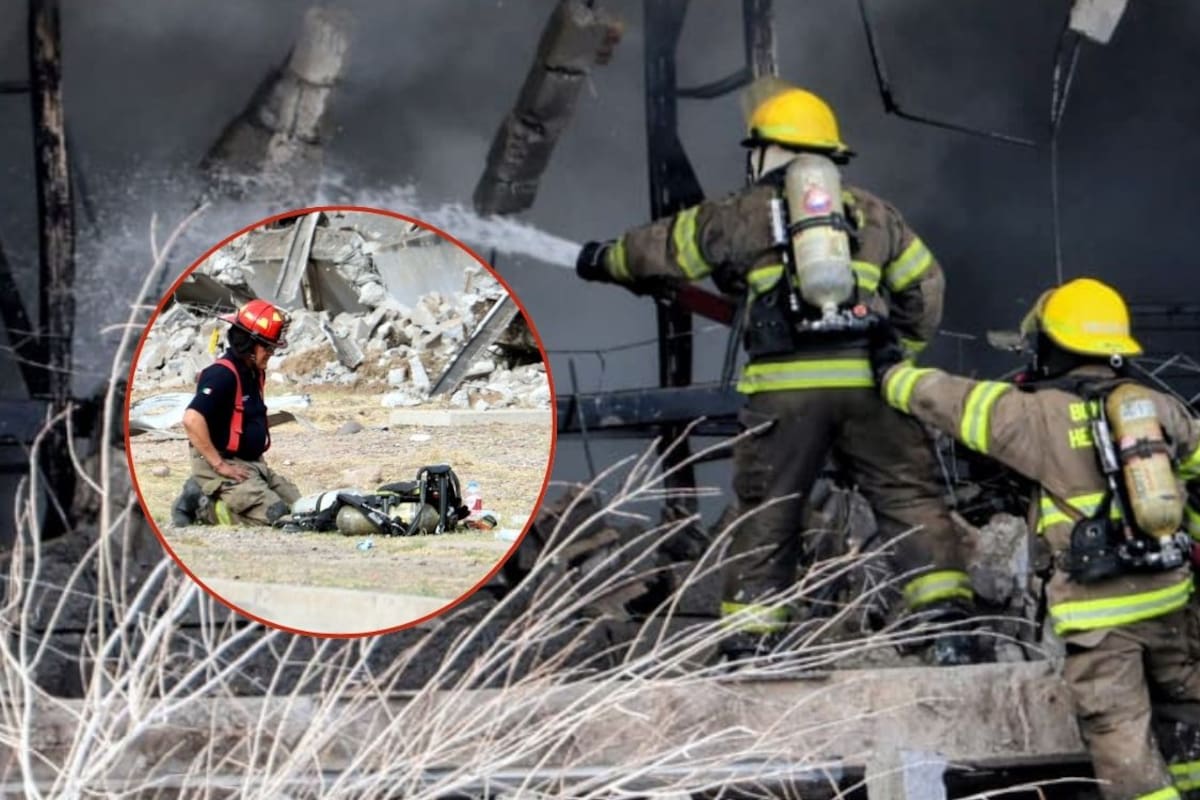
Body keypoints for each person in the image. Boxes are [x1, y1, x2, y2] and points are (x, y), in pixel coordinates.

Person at [575, 77, 979, 664]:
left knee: (770, 509)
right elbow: (926, 288)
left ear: (769, 149)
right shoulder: (874, 214)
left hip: (784, 393)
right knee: (908, 497)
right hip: (870, 388)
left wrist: (603, 259)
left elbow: (661, 250)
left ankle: (754, 640)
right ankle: (948, 628)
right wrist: (899, 357)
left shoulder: (737, 215)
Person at [872, 277, 1200, 800]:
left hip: (1099, 619)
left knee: (1120, 734)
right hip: (1172, 600)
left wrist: (890, 374)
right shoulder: (1155, 407)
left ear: (1054, 344)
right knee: (1186, 711)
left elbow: (949, 400)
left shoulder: (1033, 415)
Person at [171, 298, 300, 527]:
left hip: (251, 463)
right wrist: (220, 465)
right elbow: (191, 420)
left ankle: (209, 492)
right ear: (249, 345)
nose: (271, 353)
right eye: (267, 347)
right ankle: (201, 506)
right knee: (277, 516)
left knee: (301, 509)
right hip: (221, 462)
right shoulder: (221, 375)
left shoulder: (253, 371)